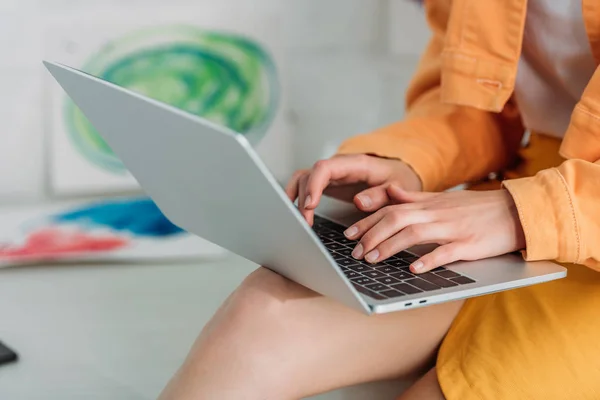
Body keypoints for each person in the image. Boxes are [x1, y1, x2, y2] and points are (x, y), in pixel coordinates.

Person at [158, 0, 600, 398]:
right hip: (518, 194)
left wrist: (525, 214)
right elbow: (473, 107)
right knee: (263, 315)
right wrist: (401, 161)